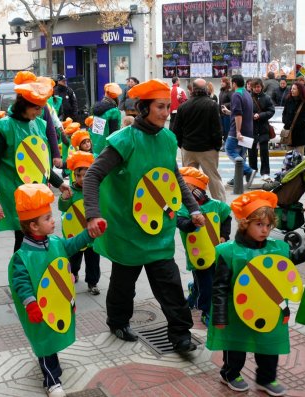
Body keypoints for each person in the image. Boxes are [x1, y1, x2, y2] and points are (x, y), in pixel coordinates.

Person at [83, 79, 204, 353]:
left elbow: (174, 178)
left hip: (159, 229)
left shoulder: (169, 138)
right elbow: (92, 176)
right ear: (144, 108)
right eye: (160, 107)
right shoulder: (123, 140)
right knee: (123, 285)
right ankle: (117, 321)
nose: (165, 113)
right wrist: (92, 214)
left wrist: (193, 208)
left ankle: (180, 333)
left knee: (170, 283)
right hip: (127, 230)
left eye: (168, 107)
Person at [207, 190, 305, 395]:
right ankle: (230, 373)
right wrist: (220, 315)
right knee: (235, 345)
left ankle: (266, 378)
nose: (265, 230)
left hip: (269, 308)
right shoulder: (228, 252)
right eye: (259, 224)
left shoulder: (277, 249)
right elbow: (220, 287)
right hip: (237, 311)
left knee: (268, 345)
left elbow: (293, 262)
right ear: (245, 223)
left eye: (268, 225)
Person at [9, 183, 93, 397]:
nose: (53, 219)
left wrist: (90, 234)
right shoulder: (22, 256)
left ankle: (51, 366)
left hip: (55, 304)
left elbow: (73, 245)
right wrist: (31, 304)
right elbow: (21, 282)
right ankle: (51, 380)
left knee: (50, 335)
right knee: (44, 341)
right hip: (38, 307)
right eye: (47, 218)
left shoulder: (55, 241)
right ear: (34, 227)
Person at [0, 71, 71, 252]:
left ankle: (31, 272)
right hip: (15, 192)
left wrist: (59, 183)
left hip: (38, 190)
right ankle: (21, 275)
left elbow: (40, 164)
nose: (40, 112)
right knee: (25, 235)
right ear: (24, 104)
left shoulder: (39, 124)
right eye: (37, 108)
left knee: (37, 235)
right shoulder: (3, 127)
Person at [177, 167, 231, 326]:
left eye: (187, 187)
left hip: (216, 251)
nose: (184, 192)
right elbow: (180, 223)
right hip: (198, 255)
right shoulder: (183, 208)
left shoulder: (215, 205)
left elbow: (226, 217)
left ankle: (194, 292)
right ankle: (207, 311)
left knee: (208, 281)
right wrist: (191, 222)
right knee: (208, 284)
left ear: (198, 189)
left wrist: (224, 235)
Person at [172, 78, 226, 202]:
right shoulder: (212, 105)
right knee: (214, 179)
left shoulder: (183, 106)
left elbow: (176, 130)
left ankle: (191, 206)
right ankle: (221, 206)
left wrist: (182, 145)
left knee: (189, 180)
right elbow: (217, 129)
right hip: (208, 149)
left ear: (192, 89)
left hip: (189, 148)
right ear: (206, 89)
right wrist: (217, 146)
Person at [59, 151, 101, 295]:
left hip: (92, 233)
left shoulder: (96, 190)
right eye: (78, 175)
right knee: (74, 256)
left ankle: (92, 282)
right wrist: (64, 198)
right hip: (75, 233)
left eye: (86, 174)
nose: (82, 178)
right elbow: (62, 208)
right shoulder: (71, 190)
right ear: (73, 175)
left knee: (93, 260)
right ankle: (74, 273)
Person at [224, 75, 254, 186]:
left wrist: (237, 131)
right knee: (241, 155)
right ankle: (237, 179)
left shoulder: (236, 94)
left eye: (231, 82)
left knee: (229, 149)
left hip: (238, 130)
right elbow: (241, 112)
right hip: (249, 130)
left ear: (234, 83)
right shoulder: (247, 94)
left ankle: (248, 170)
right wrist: (229, 112)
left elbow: (238, 114)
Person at [250, 78, 275, 183]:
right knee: (251, 152)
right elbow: (244, 111)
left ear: (262, 87)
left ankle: (265, 173)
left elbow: (271, 111)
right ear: (252, 87)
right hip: (251, 129)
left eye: (259, 86)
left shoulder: (267, 98)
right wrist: (251, 115)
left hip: (263, 128)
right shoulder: (248, 97)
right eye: (255, 87)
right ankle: (252, 171)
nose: (257, 89)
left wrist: (260, 115)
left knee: (264, 152)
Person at [91, 83, 122, 155]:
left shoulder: (97, 109)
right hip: (108, 149)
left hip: (96, 146)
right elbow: (114, 132)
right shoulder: (113, 111)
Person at [282, 83, 305, 155]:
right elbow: (284, 113)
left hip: (300, 134)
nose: (292, 90)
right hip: (289, 133)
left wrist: (301, 122)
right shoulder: (288, 100)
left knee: (299, 157)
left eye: (294, 89)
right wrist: (286, 121)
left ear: (300, 90)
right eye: (291, 89)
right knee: (289, 157)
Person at [219, 77, 233, 145]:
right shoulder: (222, 91)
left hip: (227, 114)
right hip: (221, 114)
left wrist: (225, 105)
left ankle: (227, 144)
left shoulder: (229, 91)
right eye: (221, 81)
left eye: (222, 82)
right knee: (223, 130)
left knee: (227, 130)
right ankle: (225, 143)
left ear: (226, 82)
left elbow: (233, 102)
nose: (221, 83)